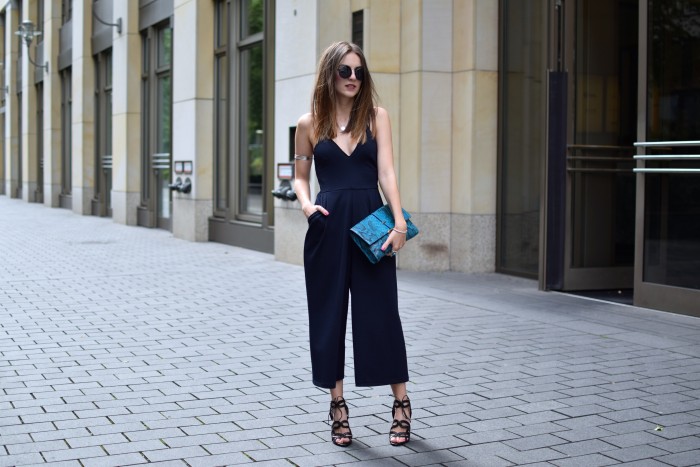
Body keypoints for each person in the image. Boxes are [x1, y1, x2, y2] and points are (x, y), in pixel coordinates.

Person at [294, 41, 412, 448]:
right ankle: (338, 407)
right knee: (328, 318)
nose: (353, 79)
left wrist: (398, 222)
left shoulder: (377, 117)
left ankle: (401, 405)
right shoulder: (309, 123)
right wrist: (308, 206)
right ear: (330, 73)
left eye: (359, 72)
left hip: (371, 225)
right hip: (326, 227)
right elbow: (299, 177)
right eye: (345, 71)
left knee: (381, 313)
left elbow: (387, 173)